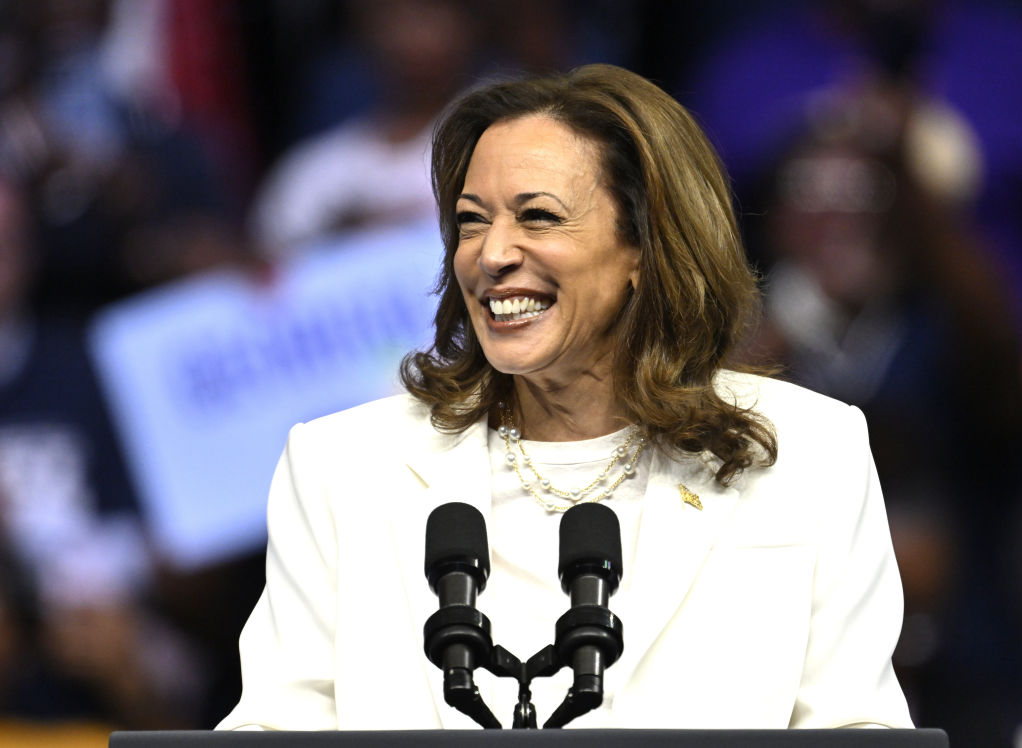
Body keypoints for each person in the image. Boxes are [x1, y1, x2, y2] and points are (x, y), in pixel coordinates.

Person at [218, 64, 912, 730]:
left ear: (644, 244)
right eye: (471, 220)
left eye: (538, 217)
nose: (492, 254)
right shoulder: (342, 466)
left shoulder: (807, 453)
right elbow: (276, 724)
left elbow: (857, 724)